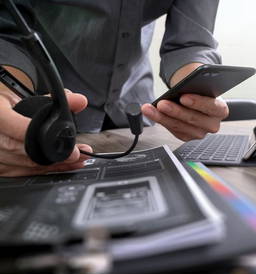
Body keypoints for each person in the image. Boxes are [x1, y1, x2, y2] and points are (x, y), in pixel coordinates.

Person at [0, 0, 228, 177]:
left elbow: (192, 42)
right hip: (43, 117)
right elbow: (8, 32)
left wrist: (194, 93)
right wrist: (6, 92)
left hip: (135, 113)